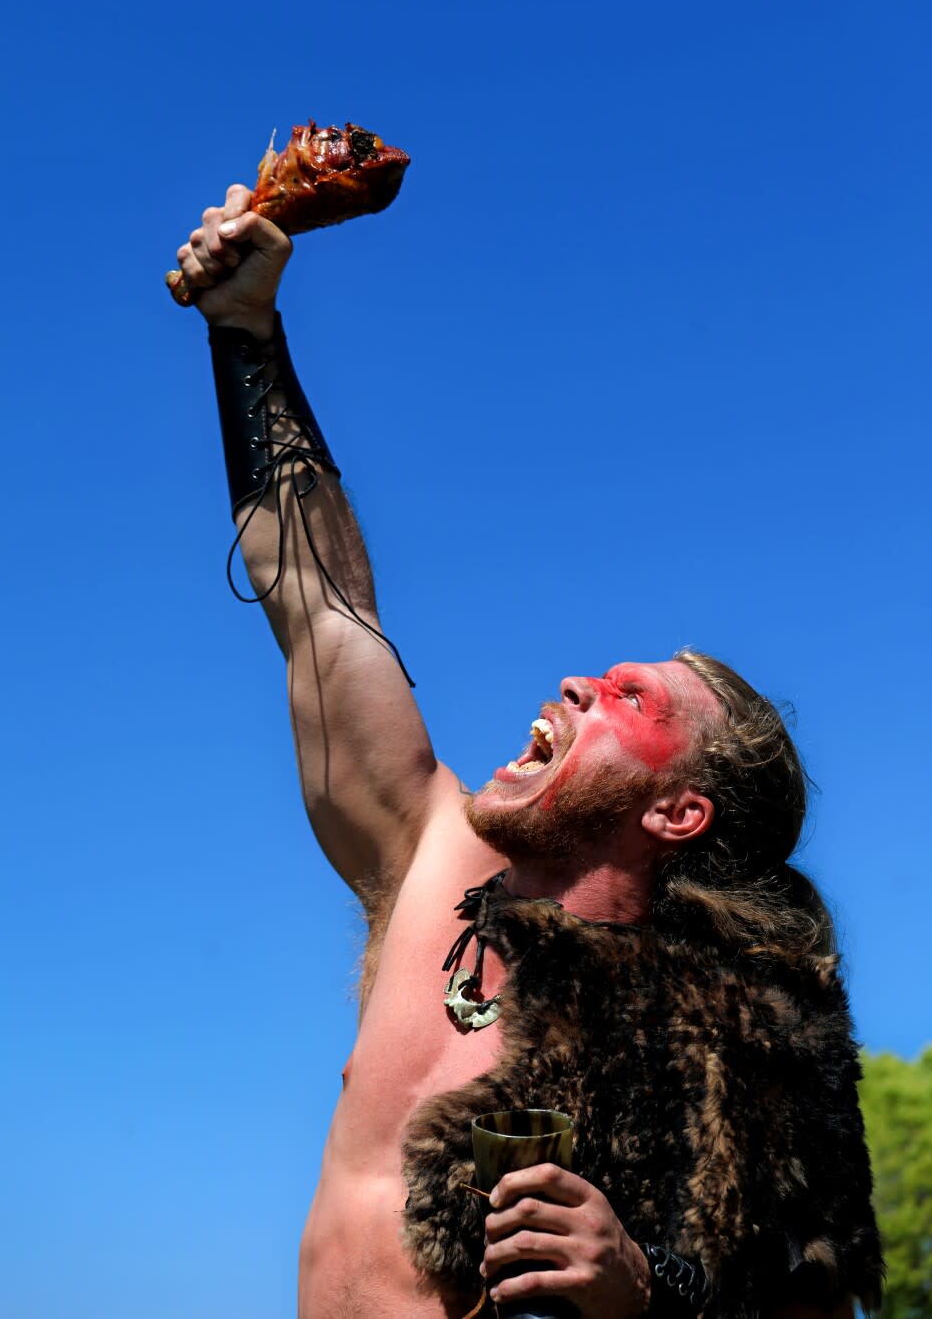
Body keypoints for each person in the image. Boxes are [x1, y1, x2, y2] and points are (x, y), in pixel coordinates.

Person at [173, 188, 883, 1319]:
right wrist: (245, 333)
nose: (574, 681)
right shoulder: (429, 857)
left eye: (627, 697)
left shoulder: (726, 1027)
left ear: (675, 812)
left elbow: (810, 1288)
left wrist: (651, 1283)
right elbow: (318, 606)